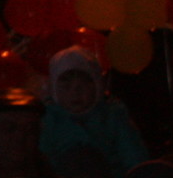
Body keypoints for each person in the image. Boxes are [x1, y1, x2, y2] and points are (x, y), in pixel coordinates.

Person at [40, 47, 151, 178]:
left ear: (97, 85)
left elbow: (133, 157)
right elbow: (41, 161)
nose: (75, 93)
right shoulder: (48, 120)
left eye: (83, 85)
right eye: (66, 87)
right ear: (54, 89)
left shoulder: (113, 116)